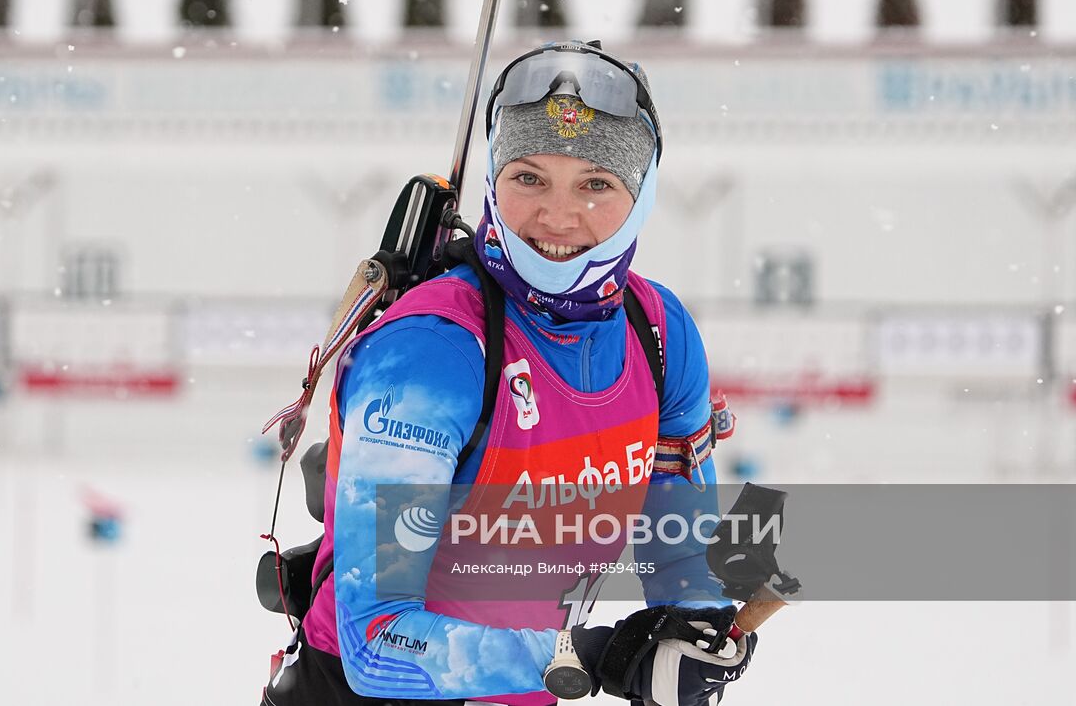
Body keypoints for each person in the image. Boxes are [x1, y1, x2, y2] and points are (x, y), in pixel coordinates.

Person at [262, 41, 755, 706]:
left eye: (595, 184)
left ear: (641, 194)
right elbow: (375, 640)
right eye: (529, 177)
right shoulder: (434, 349)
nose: (557, 215)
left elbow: (677, 544)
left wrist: (695, 630)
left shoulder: (660, 335)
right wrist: (584, 654)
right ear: (495, 177)